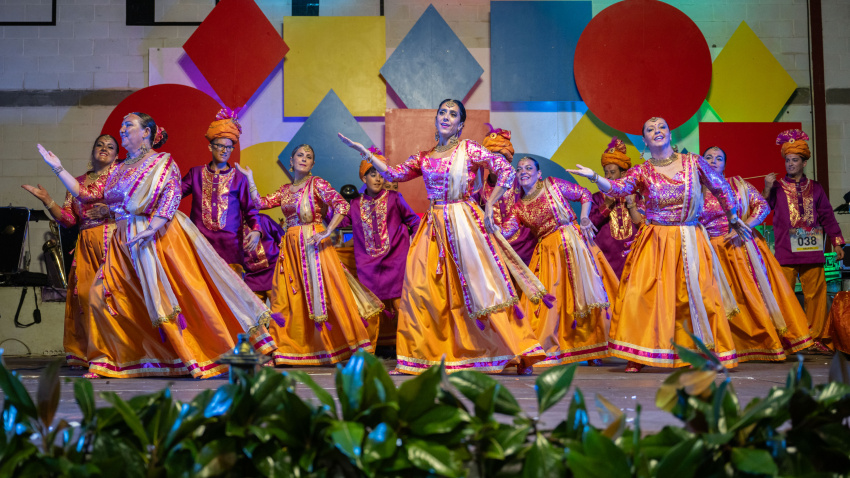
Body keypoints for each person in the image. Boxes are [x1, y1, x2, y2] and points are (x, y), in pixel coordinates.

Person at [37, 112, 277, 379]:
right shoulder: (119, 168)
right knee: (99, 297)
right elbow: (87, 194)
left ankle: (227, 350)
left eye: (129, 125)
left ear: (146, 133)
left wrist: (151, 229)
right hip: (125, 239)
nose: (123, 129)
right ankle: (109, 358)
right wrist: (57, 168)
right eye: (123, 125)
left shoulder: (161, 162)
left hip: (158, 236)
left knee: (187, 297)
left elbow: (172, 195)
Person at [339, 99, 549, 375]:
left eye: (453, 114)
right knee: (422, 290)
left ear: (461, 124)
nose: (446, 117)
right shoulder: (424, 157)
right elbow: (394, 173)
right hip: (434, 226)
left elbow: (506, 171)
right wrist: (365, 151)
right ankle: (420, 357)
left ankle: (513, 350)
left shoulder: (469, 149)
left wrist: (489, 203)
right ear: (436, 119)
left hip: (464, 223)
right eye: (442, 112)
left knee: (480, 289)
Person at [567, 117, 750, 372]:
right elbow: (619, 189)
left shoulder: (693, 162)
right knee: (640, 294)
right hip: (655, 239)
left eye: (662, 127)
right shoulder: (642, 170)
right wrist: (596, 177)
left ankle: (703, 351)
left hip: (688, 236)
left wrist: (733, 217)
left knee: (697, 296)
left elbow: (720, 188)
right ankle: (639, 354)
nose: (657, 131)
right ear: (645, 140)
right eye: (651, 129)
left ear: (670, 135)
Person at [237, 144, 383, 366]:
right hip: (291, 249)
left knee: (329, 295)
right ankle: (285, 351)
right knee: (285, 298)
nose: (304, 159)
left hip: (314, 246)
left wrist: (327, 231)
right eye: (300, 155)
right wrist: (250, 178)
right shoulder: (285, 190)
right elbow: (260, 203)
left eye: (309, 156)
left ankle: (341, 346)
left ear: (313, 165)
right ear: (291, 161)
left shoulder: (317, 184)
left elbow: (341, 205)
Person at [700, 146, 813, 360]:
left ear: (725, 164)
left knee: (750, 297)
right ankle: (724, 345)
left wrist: (743, 227)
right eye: (709, 157)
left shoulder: (737, 185)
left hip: (741, 248)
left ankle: (763, 342)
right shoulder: (695, 189)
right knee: (718, 301)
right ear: (702, 162)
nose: (714, 161)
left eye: (719, 158)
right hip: (710, 250)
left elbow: (762, 206)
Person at [504, 156, 618, 367]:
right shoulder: (518, 208)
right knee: (554, 303)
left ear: (539, 174)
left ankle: (593, 348)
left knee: (585, 295)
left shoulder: (552, 185)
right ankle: (552, 348)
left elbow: (584, 194)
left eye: (529, 168)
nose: (523, 172)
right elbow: (505, 232)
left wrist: (584, 218)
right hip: (548, 254)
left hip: (574, 244)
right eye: (519, 169)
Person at [22, 134, 120, 368]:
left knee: (109, 298)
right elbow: (68, 219)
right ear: (93, 150)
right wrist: (47, 200)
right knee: (84, 298)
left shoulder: (121, 178)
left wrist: (109, 210)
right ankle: (92, 353)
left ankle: (115, 354)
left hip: (112, 241)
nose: (104, 148)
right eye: (99, 144)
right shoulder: (76, 181)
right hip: (86, 244)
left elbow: (133, 206)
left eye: (110, 147)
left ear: (117, 155)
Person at [763, 129, 845, 353]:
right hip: (785, 250)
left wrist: (837, 242)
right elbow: (763, 208)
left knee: (816, 296)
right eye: (788, 160)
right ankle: (788, 339)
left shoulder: (816, 188)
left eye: (795, 160)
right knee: (784, 296)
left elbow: (827, 215)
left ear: (804, 162)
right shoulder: (778, 186)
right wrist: (768, 187)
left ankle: (814, 338)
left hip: (811, 248)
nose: (790, 164)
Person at [337, 150, 421, 353]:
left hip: (396, 262)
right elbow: (341, 225)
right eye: (372, 174)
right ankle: (368, 355)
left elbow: (415, 221)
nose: (378, 178)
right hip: (369, 267)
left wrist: (417, 246)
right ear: (363, 178)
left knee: (402, 307)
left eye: (381, 174)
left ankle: (409, 354)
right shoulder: (355, 205)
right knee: (370, 311)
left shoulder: (395, 198)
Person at [181, 108, 261, 270]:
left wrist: (256, 230)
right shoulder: (196, 173)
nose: (225, 151)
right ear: (211, 147)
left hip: (231, 246)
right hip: (200, 243)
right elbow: (174, 194)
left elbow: (251, 210)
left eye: (229, 147)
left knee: (231, 292)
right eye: (220, 146)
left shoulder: (239, 178)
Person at [476, 125, 536, 265]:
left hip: (525, 248)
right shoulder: (480, 189)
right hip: (495, 252)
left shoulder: (521, 181)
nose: (497, 164)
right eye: (493, 159)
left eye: (501, 159)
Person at [588, 138, 644, 277]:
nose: (607, 176)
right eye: (605, 172)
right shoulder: (597, 197)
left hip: (633, 259)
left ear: (623, 173)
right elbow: (590, 226)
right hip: (605, 261)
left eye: (612, 172)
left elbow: (645, 227)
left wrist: (632, 205)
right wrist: (606, 205)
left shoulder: (636, 196)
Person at [242, 213, 286, 303]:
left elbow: (283, 240)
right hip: (251, 278)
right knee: (257, 314)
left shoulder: (263, 219)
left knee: (281, 312)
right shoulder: (232, 228)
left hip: (274, 273)